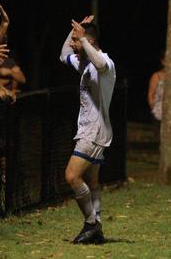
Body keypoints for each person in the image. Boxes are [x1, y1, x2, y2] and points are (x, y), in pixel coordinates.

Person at [60, 15, 116, 244]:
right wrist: (76, 31)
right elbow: (63, 55)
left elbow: (101, 65)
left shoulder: (105, 62)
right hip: (90, 130)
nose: (73, 44)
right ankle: (97, 225)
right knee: (92, 182)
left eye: (77, 41)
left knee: (72, 176)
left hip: (94, 132)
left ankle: (91, 223)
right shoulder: (83, 62)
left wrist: (81, 39)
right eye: (74, 41)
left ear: (89, 43)